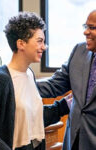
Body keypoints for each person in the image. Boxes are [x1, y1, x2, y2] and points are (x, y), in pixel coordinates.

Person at [0, 12, 71, 150]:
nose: (44, 47)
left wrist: (62, 107)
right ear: (21, 44)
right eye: (39, 41)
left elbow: (30, 119)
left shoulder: (29, 74)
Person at [37, 9, 96, 150]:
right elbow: (54, 85)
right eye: (85, 26)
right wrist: (18, 84)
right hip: (73, 140)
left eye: (92, 27)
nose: (86, 32)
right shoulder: (79, 51)